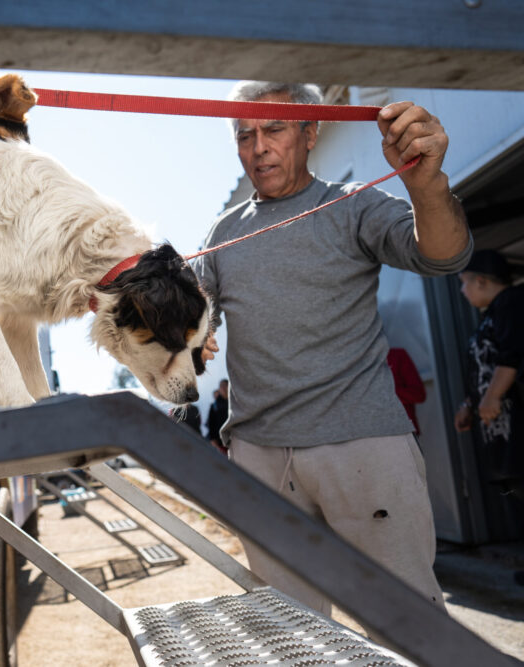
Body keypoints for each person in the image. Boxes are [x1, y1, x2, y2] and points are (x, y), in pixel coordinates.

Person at [194, 80, 472, 618]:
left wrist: (427, 185)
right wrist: (184, 330)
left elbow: (443, 257)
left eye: (273, 129)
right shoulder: (222, 234)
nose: (259, 148)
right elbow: (193, 317)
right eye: (243, 134)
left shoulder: (352, 206)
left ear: (310, 132)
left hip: (362, 446)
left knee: (409, 622)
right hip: (262, 460)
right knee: (294, 637)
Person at [454, 249, 524, 500]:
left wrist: (493, 396)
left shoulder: (511, 301)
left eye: (464, 283)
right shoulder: (493, 312)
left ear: (481, 281)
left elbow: (512, 353)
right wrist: (469, 404)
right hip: (502, 432)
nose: (462, 291)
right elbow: (484, 366)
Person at [386, 347, 426, 435]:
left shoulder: (397, 355)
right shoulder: (358, 363)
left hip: (405, 432)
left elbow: (419, 394)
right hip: (370, 437)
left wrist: (387, 392)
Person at [207, 379, 230, 453]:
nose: (223, 388)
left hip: (236, 439)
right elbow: (211, 424)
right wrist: (213, 439)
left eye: (225, 385)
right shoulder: (214, 406)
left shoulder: (235, 402)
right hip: (221, 442)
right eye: (221, 386)